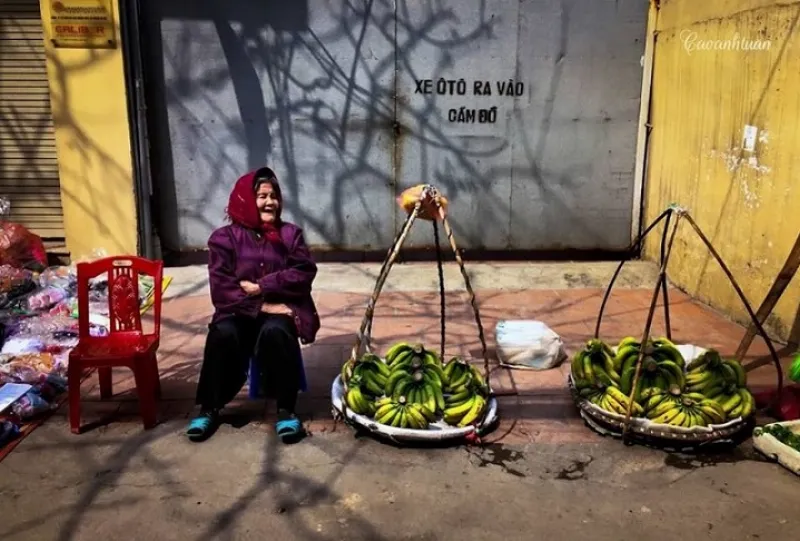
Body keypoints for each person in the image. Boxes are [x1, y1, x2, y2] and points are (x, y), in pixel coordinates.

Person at [185, 167, 320, 443]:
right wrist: (264, 306)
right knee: (224, 333)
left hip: (277, 311)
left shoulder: (290, 235)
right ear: (246, 200)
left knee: (277, 331)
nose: (270, 202)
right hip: (238, 311)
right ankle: (209, 408)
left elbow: (304, 272)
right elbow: (223, 290)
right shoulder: (224, 239)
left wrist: (263, 286)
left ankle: (286, 410)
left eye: (274, 196)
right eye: (261, 196)